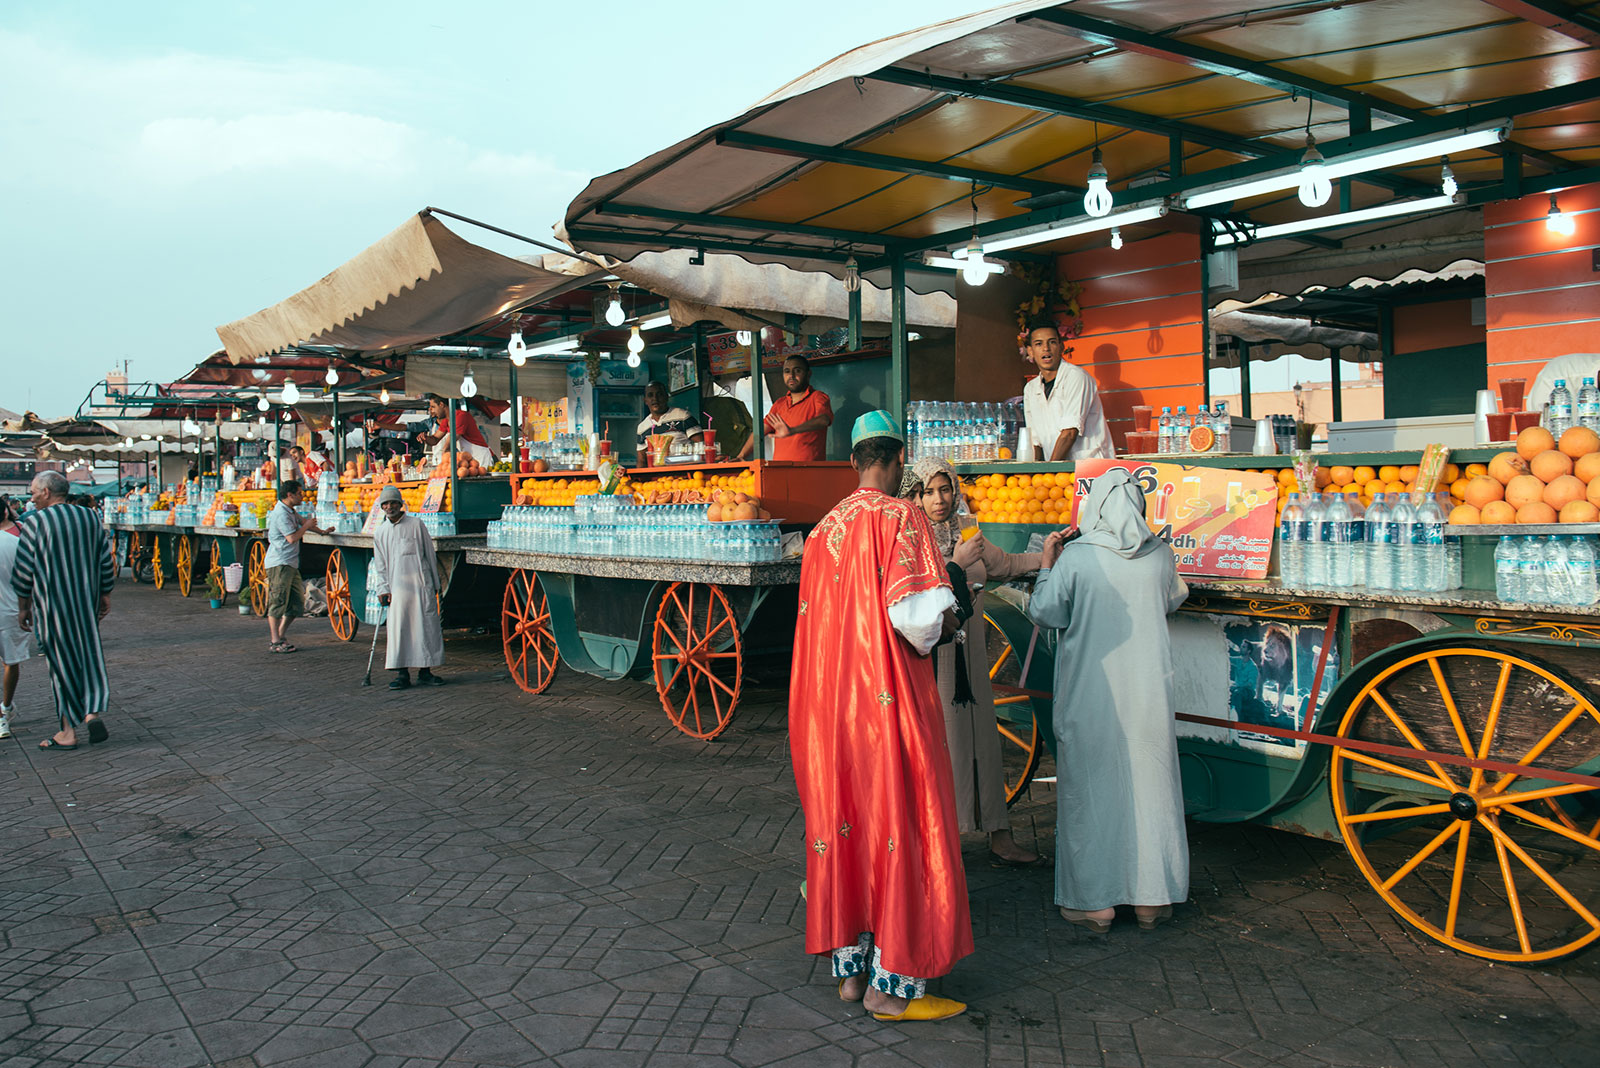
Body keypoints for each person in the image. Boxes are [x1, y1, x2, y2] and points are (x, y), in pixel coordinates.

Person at [789, 410, 971, 1023]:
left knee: (850, 826)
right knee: (906, 824)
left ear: (853, 462)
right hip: (890, 702)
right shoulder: (904, 516)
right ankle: (889, 989)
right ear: (897, 461)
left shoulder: (822, 531)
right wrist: (954, 619)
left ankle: (850, 974)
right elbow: (918, 620)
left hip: (831, 710)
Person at [1026, 467, 1189, 933]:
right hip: (1149, 695)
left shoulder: (1078, 559)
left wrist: (1046, 565)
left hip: (1090, 696)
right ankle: (1152, 900)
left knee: (1091, 790)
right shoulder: (1160, 556)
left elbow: (1044, 611)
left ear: (1093, 508)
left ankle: (1093, 903)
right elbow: (1172, 599)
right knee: (1150, 786)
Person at [899, 457, 1043, 866]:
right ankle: (946, 840)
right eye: (928, 491)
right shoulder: (912, 539)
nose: (939, 499)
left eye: (946, 489)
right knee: (948, 746)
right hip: (938, 660)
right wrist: (956, 563)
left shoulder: (968, 532)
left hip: (973, 656)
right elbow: (918, 596)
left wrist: (1047, 557)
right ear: (917, 495)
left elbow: (1007, 564)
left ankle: (1000, 833)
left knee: (985, 740)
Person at [10, 472, 115, 751]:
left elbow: (23, 571)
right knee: (88, 655)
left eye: (33, 492)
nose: (31, 497)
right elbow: (105, 559)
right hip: (85, 602)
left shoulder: (34, 523)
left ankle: (67, 731)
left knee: (60, 663)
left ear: (46, 492)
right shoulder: (90, 518)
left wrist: (23, 608)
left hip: (51, 606)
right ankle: (91, 712)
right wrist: (105, 594)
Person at [369, 485, 445, 690]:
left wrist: (435, 584)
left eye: (393, 502)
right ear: (382, 507)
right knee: (399, 629)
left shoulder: (416, 524)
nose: (389, 506)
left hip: (421, 586)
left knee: (425, 628)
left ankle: (426, 672)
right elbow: (381, 564)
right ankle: (401, 673)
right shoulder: (381, 532)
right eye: (385, 503)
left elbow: (429, 554)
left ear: (400, 504)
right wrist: (383, 589)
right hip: (397, 589)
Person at [1021, 319, 1116, 462]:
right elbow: (1036, 442)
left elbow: (1070, 433)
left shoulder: (1076, 377)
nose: (1046, 348)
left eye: (1052, 342)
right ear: (1030, 351)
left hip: (1091, 468)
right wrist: (1036, 476)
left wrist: (1049, 471)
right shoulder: (1030, 389)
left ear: (1061, 346)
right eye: (1039, 344)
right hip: (1058, 474)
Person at [264, 479, 327, 654]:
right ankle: (275, 640)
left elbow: (303, 522)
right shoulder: (281, 514)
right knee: (278, 601)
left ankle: (281, 635)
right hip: (280, 563)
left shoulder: (290, 510)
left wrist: (322, 532)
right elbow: (292, 537)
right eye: (299, 493)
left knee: (297, 603)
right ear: (290, 495)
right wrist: (306, 526)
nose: (302, 496)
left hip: (290, 563)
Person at [0, 497, 36, 739]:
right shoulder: (18, 540)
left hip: (11, 609)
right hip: (13, 609)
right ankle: (5, 709)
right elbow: (28, 577)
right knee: (11, 663)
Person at [754, 354, 833, 461]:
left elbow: (824, 420)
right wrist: (741, 455)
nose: (791, 375)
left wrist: (793, 430)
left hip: (809, 471)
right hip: (780, 470)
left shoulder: (818, 397)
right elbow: (760, 431)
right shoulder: (779, 404)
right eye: (787, 371)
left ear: (808, 374)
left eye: (797, 371)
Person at [421, 394, 495, 468]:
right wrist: (425, 438)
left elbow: (451, 441)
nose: (430, 409)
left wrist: (444, 463)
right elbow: (435, 439)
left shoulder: (461, 416)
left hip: (481, 457)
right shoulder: (446, 421)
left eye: (433, 407)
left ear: (441, 404)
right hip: (469, 459)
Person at [635, 381, 703, 460]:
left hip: (683, 469)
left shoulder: (683, 416)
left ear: (666, 397)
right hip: (657, 471)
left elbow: (701, 445)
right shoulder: (642, 427)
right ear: (645, 400)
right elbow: (641, 460)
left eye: (659, 394)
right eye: (650, 395)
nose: (655, 398)